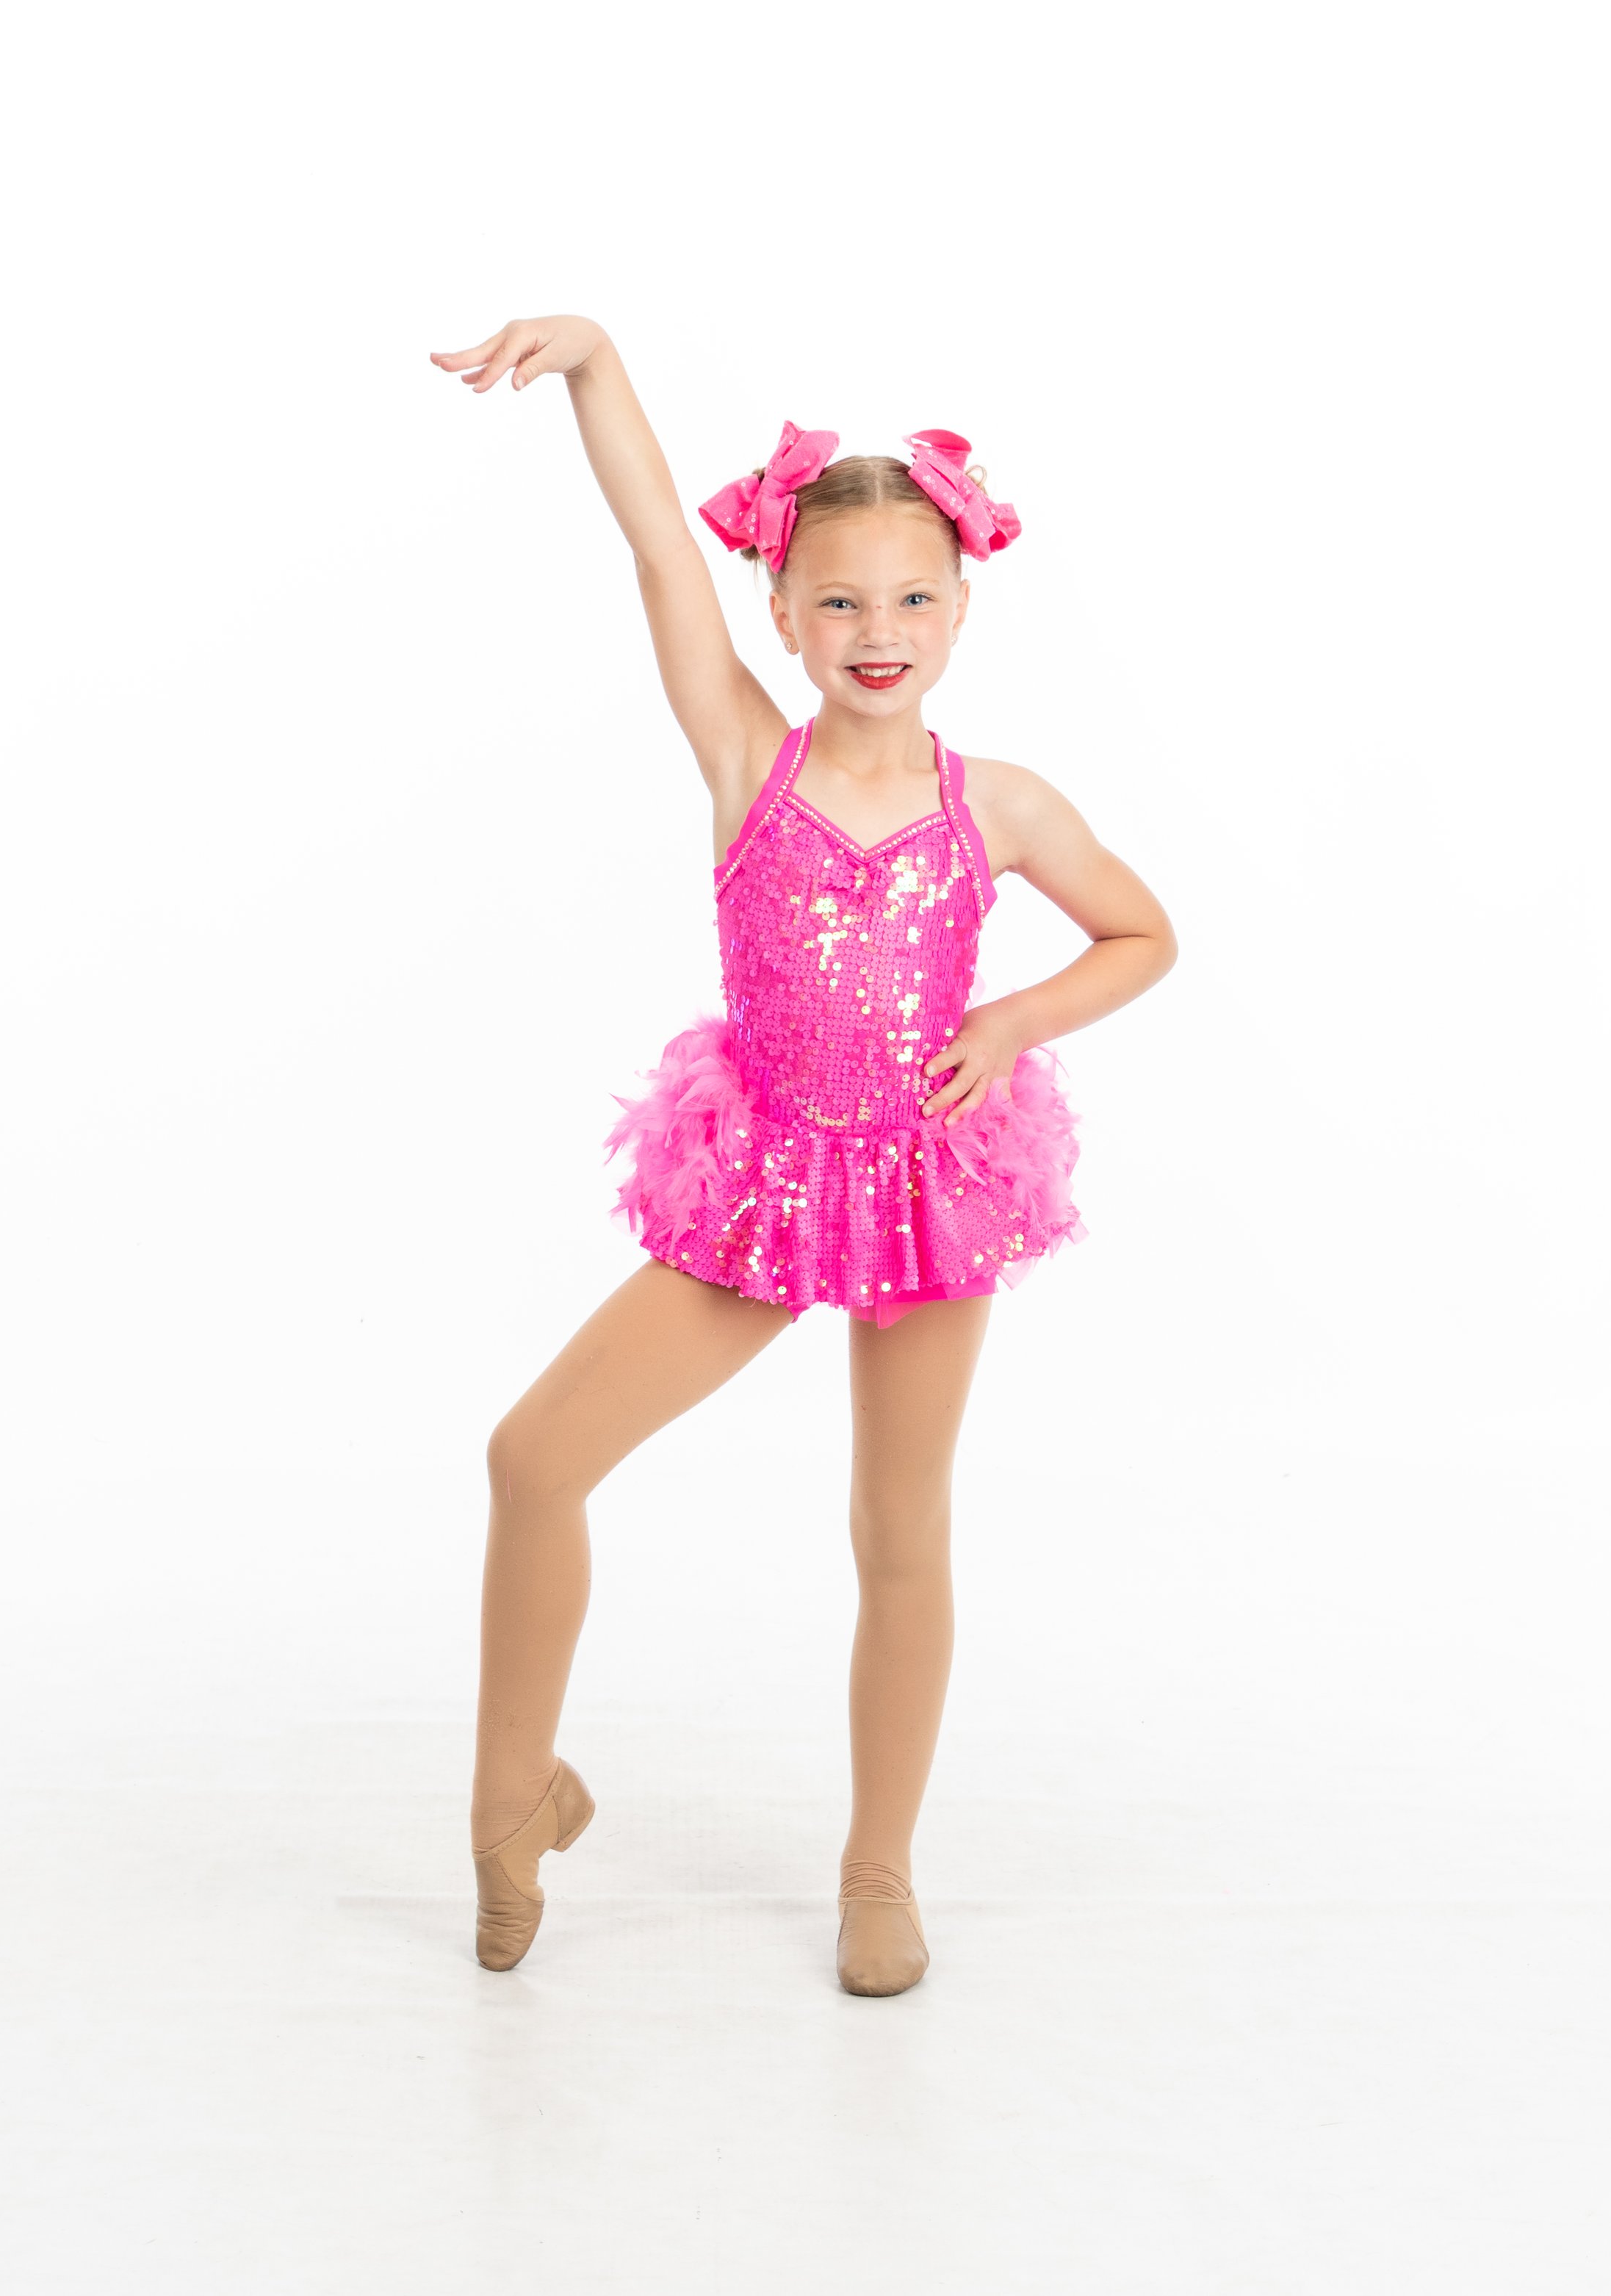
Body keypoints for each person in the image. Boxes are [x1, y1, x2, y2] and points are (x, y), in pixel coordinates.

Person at [429, 316, 1178, 1995]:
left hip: (929, 1185)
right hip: (762, 1175)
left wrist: (1011, 1024)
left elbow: (1141, 936)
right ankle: (509, 1800)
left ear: (963, 608)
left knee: (895, 1525)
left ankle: (877, 1870)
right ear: (778, 611)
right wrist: (596, 367)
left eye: (912, 598)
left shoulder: (1006, 804)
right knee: (533, 1459)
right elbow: (647, 546)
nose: (875, 631)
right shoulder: (741, 756)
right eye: (835, 599)